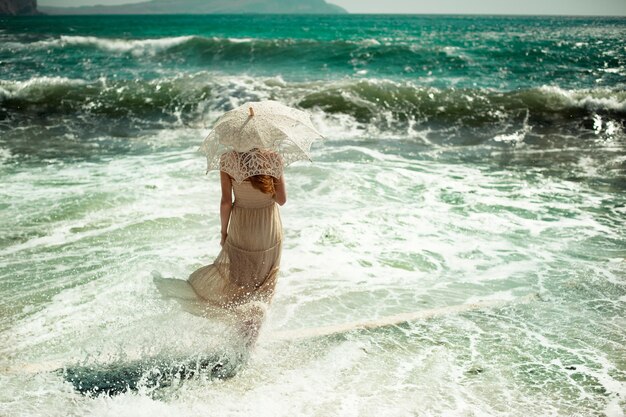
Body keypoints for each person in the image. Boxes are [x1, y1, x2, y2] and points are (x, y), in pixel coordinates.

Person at [186, 148, 287, 347]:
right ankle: (251, 343)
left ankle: (239, 342)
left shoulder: (228, 159)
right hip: (268, 228)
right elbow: (282, 200)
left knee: (240, 284)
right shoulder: (274, 158)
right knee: (264, 285)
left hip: (242, 227)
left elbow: (226, 203)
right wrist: (268, 178)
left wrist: (224, 233)